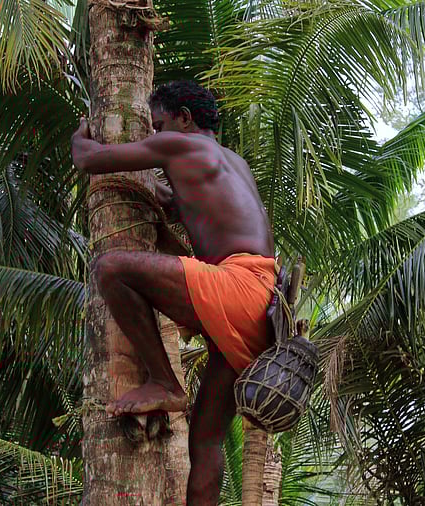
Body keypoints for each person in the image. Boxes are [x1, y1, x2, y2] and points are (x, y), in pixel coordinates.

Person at [71, 80, 276, 505]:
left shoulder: (180, 146)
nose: (157, 134)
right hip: (265, 311)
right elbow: (187, 205)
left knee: (110, 268)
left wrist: (80, 134)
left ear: (184, 118)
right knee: (205, 441)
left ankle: (164, 381)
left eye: (160, 125)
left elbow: (88, 159)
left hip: (238, 286)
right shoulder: (234, 163)